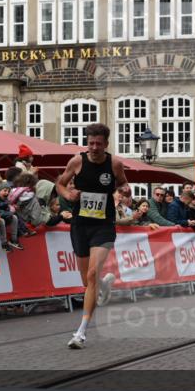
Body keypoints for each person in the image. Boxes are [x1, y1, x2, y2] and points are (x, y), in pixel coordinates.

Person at [55, 122, 130, 349]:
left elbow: (124, 183)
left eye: (98, 144)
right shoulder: (77, 161)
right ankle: (103, 287)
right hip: (80, 224)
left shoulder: (114, 163)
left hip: (103, 225)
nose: (94, 148)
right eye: (90, 143)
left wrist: (126, 190)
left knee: (92, 273)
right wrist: (68, 193)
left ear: (106, 144)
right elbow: (59, 183)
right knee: (88, 282)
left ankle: (81, 332)